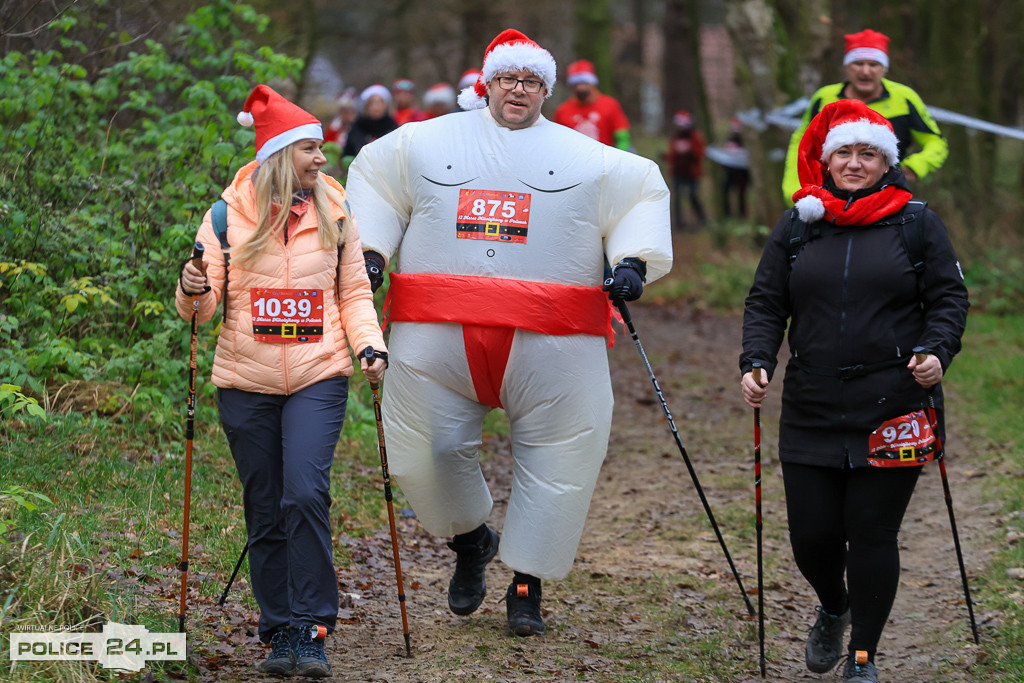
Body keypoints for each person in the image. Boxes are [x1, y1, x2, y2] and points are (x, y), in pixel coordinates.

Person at [346, 28, 672, 638]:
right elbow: (374, 180)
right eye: (508, 79)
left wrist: (632, 262)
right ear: (486, 83)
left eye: (530, 82)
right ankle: (472, 541)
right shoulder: (423, 141)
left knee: (558, 457)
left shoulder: (587, 155)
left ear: (546, 90)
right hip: (436, 328)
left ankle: (528, 583)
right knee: (425, 451)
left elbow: (642, 191)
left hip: (554, 335)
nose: (518, 90)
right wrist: (370, 249)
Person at [740, 100, 968, 683]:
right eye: (844, 151)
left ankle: (863, 656)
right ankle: (834, 607)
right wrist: (758, 359)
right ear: (826, 158)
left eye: (869, 152)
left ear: (885, 161)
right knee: (811, 537)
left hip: (895, 401)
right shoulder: (799, 224)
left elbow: (948, 299)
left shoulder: (916, 222)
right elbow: (767, 300)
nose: (855, 162)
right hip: (812, 402)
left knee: (872, 532)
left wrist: (937, 351)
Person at [175, 84, 387, 678]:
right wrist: (192, 289)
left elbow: (352, 292)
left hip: (318, 374)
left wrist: (369, 343)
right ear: (279, 154)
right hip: (244, 380)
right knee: (265, 505)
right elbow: (200, 313)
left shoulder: (336, 208)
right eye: (311, 149)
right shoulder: (225, 216)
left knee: (304, 494)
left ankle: (313, 624)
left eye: (322, 149)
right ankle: (279, 629)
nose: (323, 158)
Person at [781, 29, 948, 203]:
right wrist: (794, 189)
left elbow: (936, 142)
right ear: (846, 67)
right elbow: (802, 144)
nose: (866, 71)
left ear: (884, 68)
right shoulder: (824, 98)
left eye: (874, 64)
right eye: (858, 63)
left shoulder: (905, 98)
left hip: (888, 194)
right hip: (830, 196)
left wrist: (917, 166)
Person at [552, 59, 631, 150]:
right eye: (576, 83)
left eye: (584, 82)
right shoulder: (563, 110)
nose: (580, 87)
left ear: (592, 82)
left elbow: (622, 137)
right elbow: (557, 141)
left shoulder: (610, 105)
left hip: (605, 160)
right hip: (575, 161)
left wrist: (618, 158)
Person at [664, 110, 707, 230]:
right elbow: (672, 155)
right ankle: (678, 224)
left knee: (693, 196)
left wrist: (689, 151)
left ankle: (703, 219)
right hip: (678, 172)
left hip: (692, 173)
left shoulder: (695, 137)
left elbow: (700, 153)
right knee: (676, 197)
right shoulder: (675, 137)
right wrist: (665, 157)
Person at [341, 84, 399, 166]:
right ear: (366, 106)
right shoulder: (357, 127)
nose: (377, 106)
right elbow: (347, 155)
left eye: (380, 102)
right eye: (373, 102)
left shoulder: (393, 127)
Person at [721, 117, 749, 218]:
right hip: (730, 172)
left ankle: (742, 214)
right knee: (725, 191)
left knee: (741, 194)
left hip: (742, 173)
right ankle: (727, 214)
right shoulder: (730, 140)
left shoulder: (745, 141)